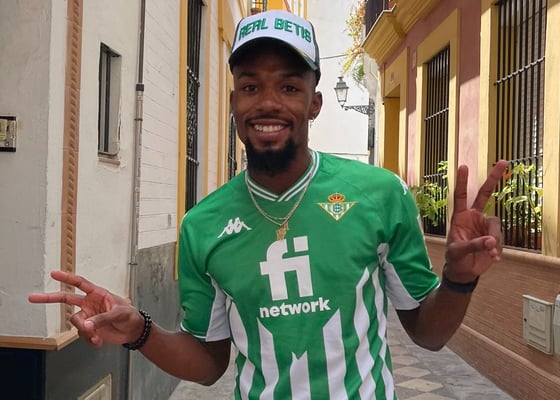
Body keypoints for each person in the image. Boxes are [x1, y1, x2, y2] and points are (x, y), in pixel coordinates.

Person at [29, 10, 508, 400]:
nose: (268, 103)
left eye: (289, 87)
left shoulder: (380, 195)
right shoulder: (203, 226)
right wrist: (140, 331)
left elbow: (428, 333)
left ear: (315, 103)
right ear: (233, 101)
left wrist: (458, 279)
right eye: (251, 86)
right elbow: (208, 364)